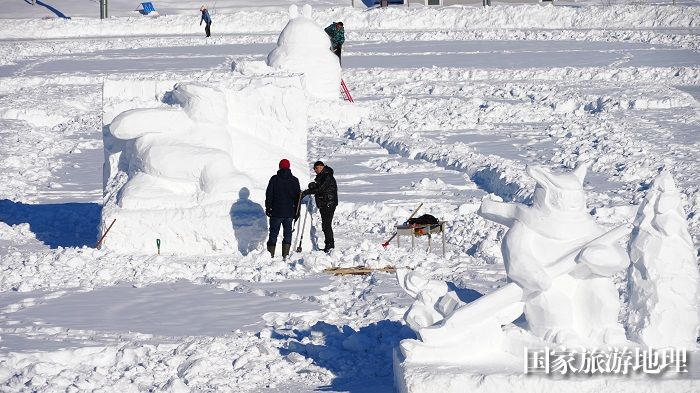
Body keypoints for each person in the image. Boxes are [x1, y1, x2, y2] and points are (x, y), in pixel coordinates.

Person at [265, 159, 301, 258]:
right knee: (288, 234)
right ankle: (285, 256)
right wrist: (297, 212)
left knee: (273, 234)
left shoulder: (274, 179)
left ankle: (270, 256)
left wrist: (268, 207)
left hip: (276, 212)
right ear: (289, 167)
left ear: (280, 167)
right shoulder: (294, 180)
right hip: (289, 212)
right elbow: (298, 198)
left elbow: (269, 194)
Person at [301, 161, 338, 253]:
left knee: (326, 225)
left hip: (328, 203)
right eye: (314, 169)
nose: (315, 170)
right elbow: (319, 187)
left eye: (316, 168)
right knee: (325, 225)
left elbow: (321, 188)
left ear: (321, 167)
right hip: (324, 203)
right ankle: (329, 245)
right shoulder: (323, 176)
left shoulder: (327, 176)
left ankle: (330, 246)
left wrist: (307, 191)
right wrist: (313, 186)